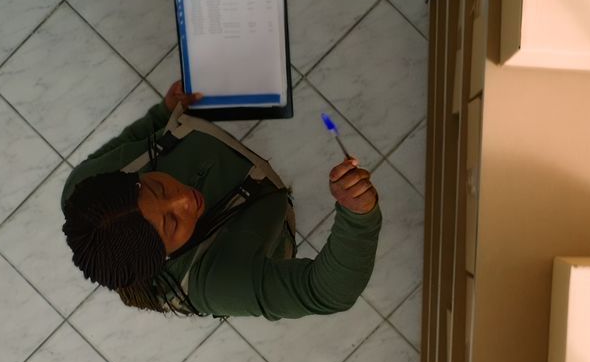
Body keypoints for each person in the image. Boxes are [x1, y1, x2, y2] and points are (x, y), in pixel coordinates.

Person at [61, 81, 381, 318]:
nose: (184, 200)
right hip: (262, 219)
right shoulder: (211, 283)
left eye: (158, 188)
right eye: (172, 223)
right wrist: (357, 217)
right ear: (164, 260)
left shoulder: (84, 185)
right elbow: (325, 292)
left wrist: (163, 113)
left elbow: (129, 143)